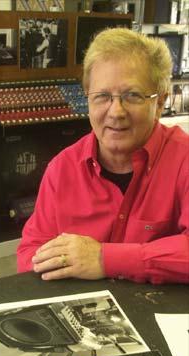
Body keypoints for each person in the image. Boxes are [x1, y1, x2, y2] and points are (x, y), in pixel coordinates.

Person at [17, 27, 189, 284]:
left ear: (160, 103)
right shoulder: (61, 169)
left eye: (132, 95)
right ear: (87, 100)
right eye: (102, 97)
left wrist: (104, 259)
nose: (116, 112)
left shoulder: (184, 159)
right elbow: (30, 254)